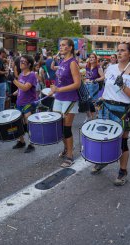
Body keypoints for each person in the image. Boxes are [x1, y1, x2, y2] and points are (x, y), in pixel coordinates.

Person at [91, 42, 130, 186]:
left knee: (122, 142)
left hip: (123, 111)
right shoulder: (111, 68)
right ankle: (103, 161)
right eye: (118, 50)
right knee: (103, 138)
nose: (119, 53)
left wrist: (123, 86)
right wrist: (101, 100)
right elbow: (107, 88)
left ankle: (122, 171)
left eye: (123, 51)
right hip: (106, 108)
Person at [49, 38, 81, 168]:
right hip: (59, 97)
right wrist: (54, 90)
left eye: (63, 45)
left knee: (66, 129)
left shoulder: (73, 63)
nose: (60, 47)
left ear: (70, 48)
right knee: (59, 127)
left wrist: (59, 89)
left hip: (69, 98)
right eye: (60, 45)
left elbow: (77, 84)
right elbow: (59, 81)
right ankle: (66, 148)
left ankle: (70, 155)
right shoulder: (62, 61)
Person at [11, 55, 37, 153]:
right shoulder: (22, 74)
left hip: (28, 103)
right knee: (19, 123)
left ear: (29, 64)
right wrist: (16, 92)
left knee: (28, 123)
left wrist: (14, 81)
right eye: (20, 61)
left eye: (23, 62)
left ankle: (31, 144)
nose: (20, 63)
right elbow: (21, 87)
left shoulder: (32, 75)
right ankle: (21, 141)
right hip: (20, 102)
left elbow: (26, 87)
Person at [83, 53, 105, 122]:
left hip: (93, 86)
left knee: (92, 102)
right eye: (90, 57)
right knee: (85, 102)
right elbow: (77, 63)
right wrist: (77, 55)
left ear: (96, 59)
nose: (91, 59)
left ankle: (94, 117)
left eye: (93, 57)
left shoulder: (98, 67)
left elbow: (103, 77)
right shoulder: (87, 66)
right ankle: (89, 116)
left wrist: (95, 80)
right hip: (86, 85)